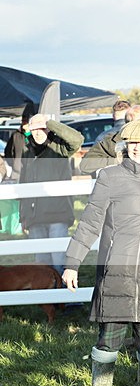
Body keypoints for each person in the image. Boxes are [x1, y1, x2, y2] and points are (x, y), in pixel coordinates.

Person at [62, 118, 140, 386]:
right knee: (108, 341)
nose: (138, 148)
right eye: (132, 143)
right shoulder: (109, 177)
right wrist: (72, 263)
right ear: (125, 146)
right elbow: (90, 221)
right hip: (116, 272)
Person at [18, 114, 84, 274]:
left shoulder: (60, 148)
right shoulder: (27, 151)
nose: (38, 132)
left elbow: (77, 139)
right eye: (34, 129)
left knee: (59, 260)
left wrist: (50, 122)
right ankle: (47, 297)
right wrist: (24, 216)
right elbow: (24, 184)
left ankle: (66, 297)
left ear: (49, 128)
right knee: (41, 264)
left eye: (42, 128)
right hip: (35, 218)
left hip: (57, 215)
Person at [80, 106, 140, 176]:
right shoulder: (111, 140)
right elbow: (85, 166)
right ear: (127, 125)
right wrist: (120, 160)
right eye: (139, 124)